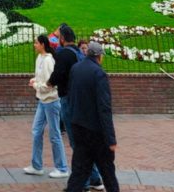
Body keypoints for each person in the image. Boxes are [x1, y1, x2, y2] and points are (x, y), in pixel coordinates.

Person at [49, 26, 104, 191]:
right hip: (81, 100)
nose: (56, 39)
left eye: (58, 36)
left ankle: (83, 182)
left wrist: (48, 83)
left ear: (63, 39)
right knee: (82, 142)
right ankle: (94, 178)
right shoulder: (78, 53)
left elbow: (57, 75)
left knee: (77, 143)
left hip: (69, 100)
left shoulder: (64, 54)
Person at [65, 41, 119, 192]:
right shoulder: (99, 73)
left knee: (79, 171)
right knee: (108, 172)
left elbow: (71, 96)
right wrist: (111, 139)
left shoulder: (76, 68)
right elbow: (104, 108)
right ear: (99, 56)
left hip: (78, 127)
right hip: (96, 132)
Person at [23, 34, 69, 179]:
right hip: (42, 101)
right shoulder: (39, 58)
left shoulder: (49, 60)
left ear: (43, 44)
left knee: (54, 134)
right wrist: (35, 80)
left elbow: (50, 84)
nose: (34, 45)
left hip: (51, 101)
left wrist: (36, 85)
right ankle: (37, 165)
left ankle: (62, 168)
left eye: (36, 43)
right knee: (36, 131)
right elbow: (41, 77)